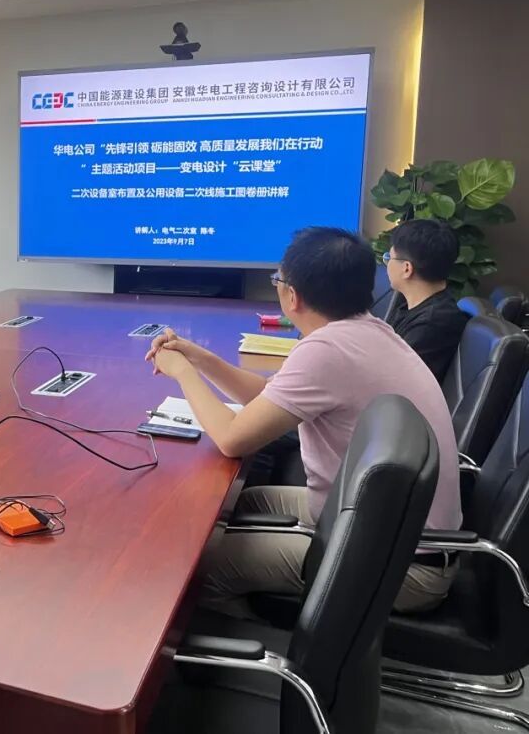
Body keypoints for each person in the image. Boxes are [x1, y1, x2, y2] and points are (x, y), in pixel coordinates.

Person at [145, 227, 461, 617]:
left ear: (291, 295)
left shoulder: (327, 351)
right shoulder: (367, 330)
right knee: (236, 505)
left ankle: (258, 642)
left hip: (402, 565)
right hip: (383, 524)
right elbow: (268, 395)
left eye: (277, 280)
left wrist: (182, 372)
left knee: (198, 566)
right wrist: (200, 358)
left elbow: (230, 438)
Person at [385, 219, 469, 381]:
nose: (387, 265)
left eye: (389, 258)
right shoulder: (417, 308)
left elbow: (392, 379)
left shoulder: (431, 324)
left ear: (406, 268)